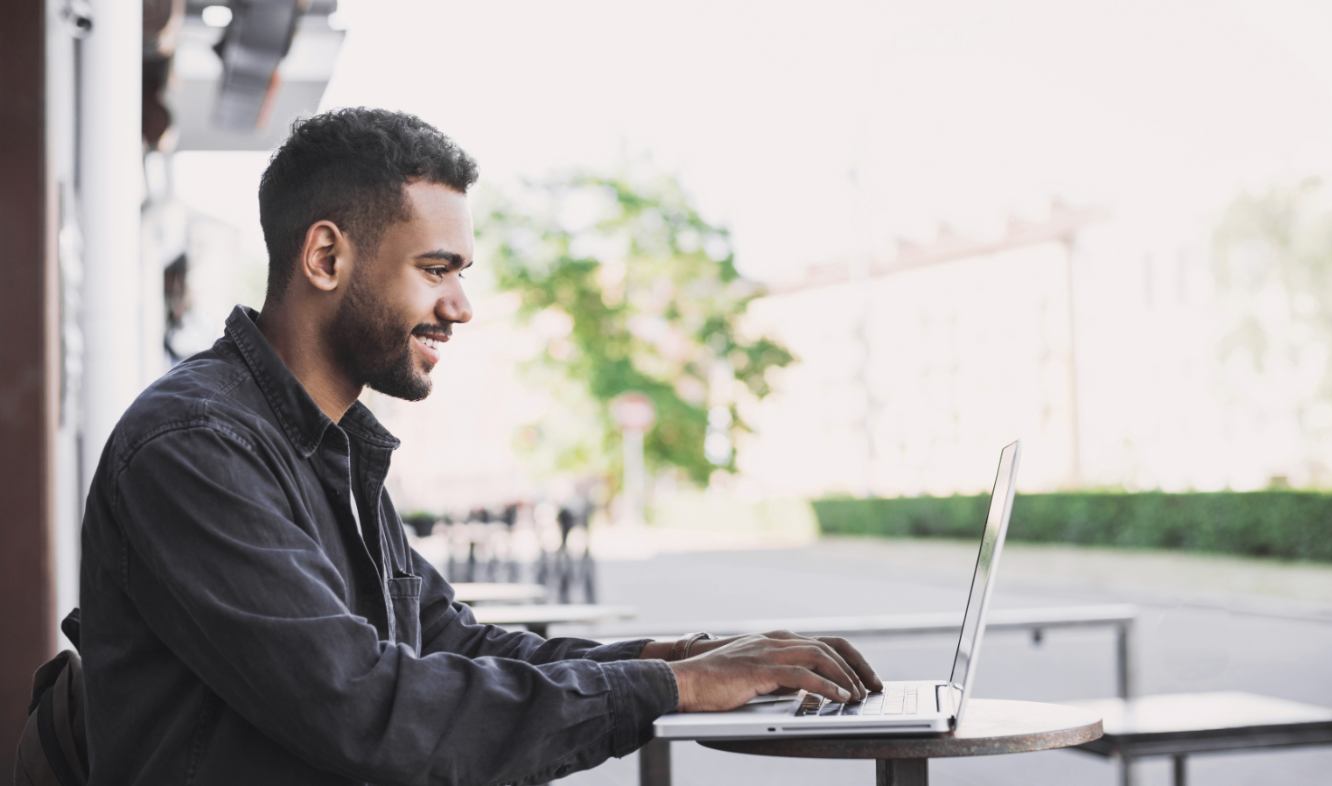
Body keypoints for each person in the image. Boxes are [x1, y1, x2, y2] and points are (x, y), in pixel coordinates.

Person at [79, 107, 882, 786]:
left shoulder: (328, 449)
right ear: (326, 257)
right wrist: (669, 687)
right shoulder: (194, 448)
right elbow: (368, 708)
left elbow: (453, 643)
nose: (460, 306)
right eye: (437, 269)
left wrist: (668, 656)